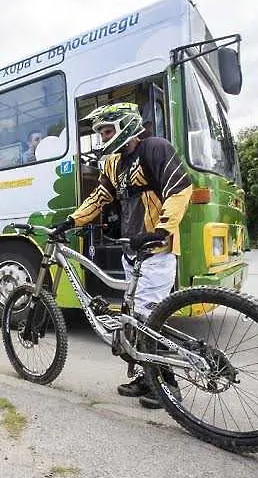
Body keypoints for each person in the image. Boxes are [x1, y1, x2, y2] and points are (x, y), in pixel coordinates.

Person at [51, 102, 192, 409]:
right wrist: (72, 221)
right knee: (133, 317)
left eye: (106, 131)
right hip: (132, 251)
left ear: (125, 125)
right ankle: (146, 375)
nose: (102, 138)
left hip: (157, 249)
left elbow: (180, 190)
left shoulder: (155, 148)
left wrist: (163, 229)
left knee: (146, 317)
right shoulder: (114, 163)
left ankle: (167, 385)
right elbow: (100, 197)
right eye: (100, 132)